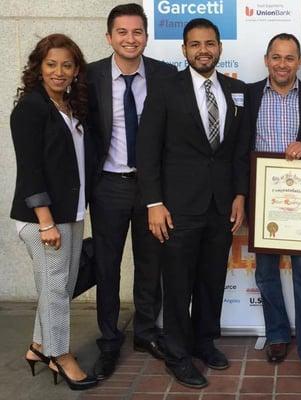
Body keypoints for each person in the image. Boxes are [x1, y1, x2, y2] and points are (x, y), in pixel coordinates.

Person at [136, 18, 250, 388]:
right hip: (177, 207)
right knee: (179, 284)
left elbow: (237, 152)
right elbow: (147, 150)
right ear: (184, 50)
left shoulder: (237, 90)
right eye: (195, 44)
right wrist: (154, 202)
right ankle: (177, 354)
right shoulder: (165, 90)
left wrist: (239, 195)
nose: (203, 50)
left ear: (219, 47)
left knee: (211, 280)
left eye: (210, 43)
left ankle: (204, 342)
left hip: (220, 207)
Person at [87, 3, 177, 380]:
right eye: (122, 32)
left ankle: (144, 332)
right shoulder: (87, 77)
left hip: (151, 187)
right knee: (107, 268)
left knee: (150, 264)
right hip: (108, 185)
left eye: (137, 32)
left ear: (146, 36)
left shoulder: (165, 75)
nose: (130, 39)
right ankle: (109, 342)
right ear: (109, 37)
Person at [247, 33, 301, 388]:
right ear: (267, 60)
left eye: (290, 58)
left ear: (300, 62)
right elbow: (239, 146)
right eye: (276, 57)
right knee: (266, 274)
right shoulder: (249, 95)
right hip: (263, 200)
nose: (282, 64)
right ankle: (278, 335)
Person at [10, 33, 98, 391]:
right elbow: (30, 169)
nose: (59, 72)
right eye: (51, 64)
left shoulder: (70, 106)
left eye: (66, 65)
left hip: (71, 213)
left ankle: (39, 345)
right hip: (42, 219)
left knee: (57, 286)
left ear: (76, 70)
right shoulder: (30, 108)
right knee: (57, 288)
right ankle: (60, 356)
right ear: (39, 67)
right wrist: (45, 221)